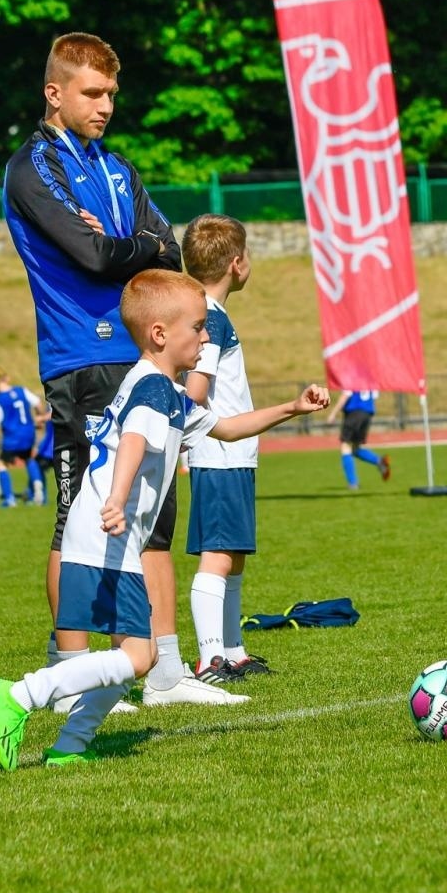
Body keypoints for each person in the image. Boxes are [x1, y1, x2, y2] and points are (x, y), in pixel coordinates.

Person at [0, 270, 329, 770]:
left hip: (107, 536)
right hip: (107, 535)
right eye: (199, 328)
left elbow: (224, 428)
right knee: (140, 658)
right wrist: (118, 498)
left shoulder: (166, 390)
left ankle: (70, 748)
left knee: (126, 666)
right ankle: (17, 695)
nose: (206, 338)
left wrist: (292, 408)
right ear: (160, 334)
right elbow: (135, 442)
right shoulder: (155, 391)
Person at [3, 30, 183, 701]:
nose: (105, 106)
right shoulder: (33, 168)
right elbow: (92, 258)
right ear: (55, 93)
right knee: (78, 515)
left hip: (140, 356)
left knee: (150, 515)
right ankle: (66, 669)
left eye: (111, 94)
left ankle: (163, 672)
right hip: (81, 358)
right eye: (92, 93)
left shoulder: (117, 168)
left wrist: (126, 244)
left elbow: (170, 250)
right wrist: (132, 247)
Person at [179, 214, 274, 684]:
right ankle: (210, 658)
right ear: (237, 263)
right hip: (219, 453)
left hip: (233, 455)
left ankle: (232, 650)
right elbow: (196, 389)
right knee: (217, 554)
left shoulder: (207, 312)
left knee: (233, 552)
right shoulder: (209, 319)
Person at [0, 369, 43, 507]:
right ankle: (38, 490)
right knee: (28, 458)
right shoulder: (21, 391)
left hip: (12, 436)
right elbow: (37, 403)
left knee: (1, 464)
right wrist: (40, 418)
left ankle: (9, 499)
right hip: (28, 432)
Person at [326, 390, 390, 489]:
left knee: (345, 447)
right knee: (355, 448)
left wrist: (333, 413)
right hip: (367, 414)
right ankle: (379, 461)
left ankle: (353, 483)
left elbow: (345, 395)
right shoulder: (370, 381)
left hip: (354, 413)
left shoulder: (352, 378)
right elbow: (374, 396)